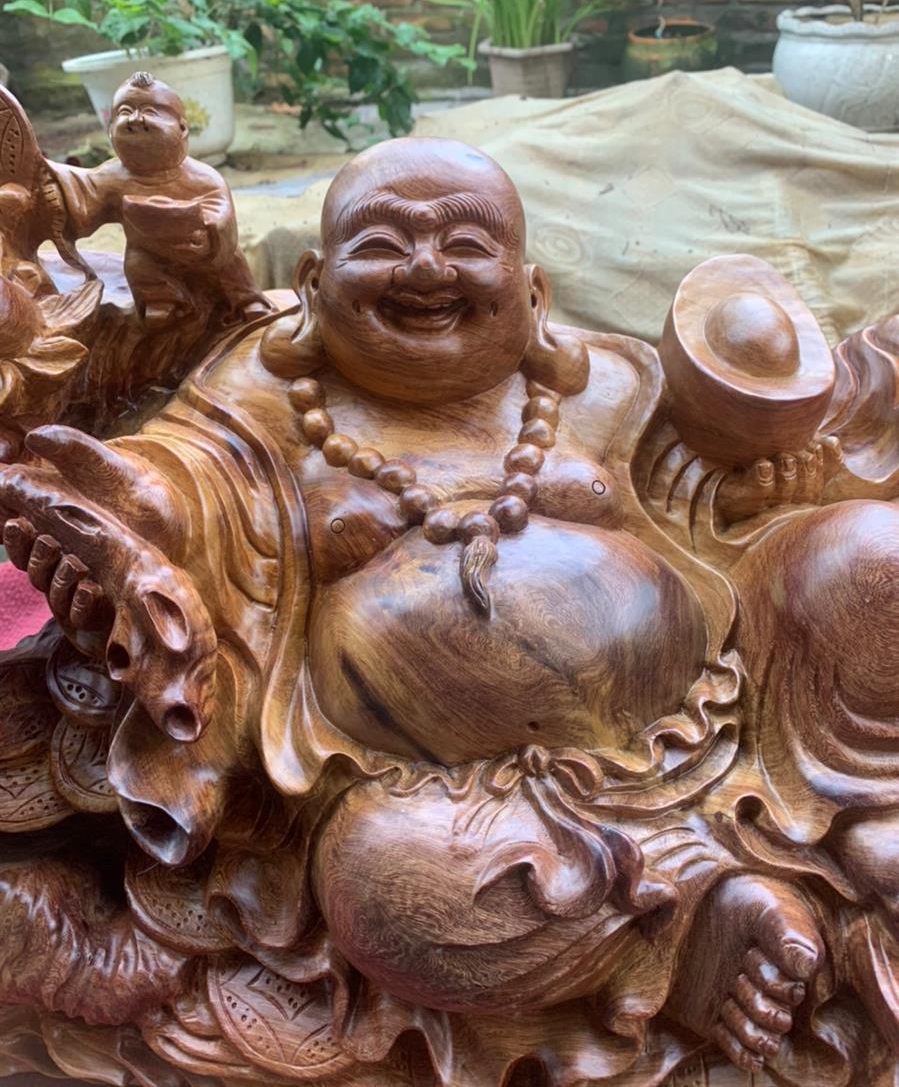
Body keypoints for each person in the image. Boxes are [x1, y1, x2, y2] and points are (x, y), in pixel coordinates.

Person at [0, 137, 896, 1086]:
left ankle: (842, 799)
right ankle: (692, 930)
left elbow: (704, 501)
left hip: (710, 711)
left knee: (867, 557)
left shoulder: (599, 383)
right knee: (388, 887)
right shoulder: (253, 403)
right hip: (459, 805)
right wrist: (124, 521)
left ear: (532, 290)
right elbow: (177, 491)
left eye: (466, 244)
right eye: (382, 244)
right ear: (311, 282)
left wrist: (766, 484)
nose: (426, 268)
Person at [49, 71, 271, 327]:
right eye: (125, 112)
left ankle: (245, 300)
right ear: (110, 130)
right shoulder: (111, 177)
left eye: (150, 112)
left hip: (202, 250)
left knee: (231, 260)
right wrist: (55, 192)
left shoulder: (203, 176)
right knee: (138, 264)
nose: (135, 119)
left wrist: (207, 230)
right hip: (149, 252)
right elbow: (82, 200)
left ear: (182, 128)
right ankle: (163, 300)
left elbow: (221, 210)